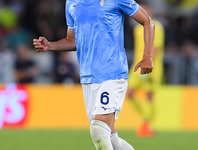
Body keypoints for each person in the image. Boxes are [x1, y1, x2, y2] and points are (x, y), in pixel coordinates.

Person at [33, 0, 155, 149]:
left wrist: (147, 56)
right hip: (88, 77)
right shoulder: (71, 2)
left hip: (113, 73)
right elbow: (73, 40)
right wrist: (51, 45)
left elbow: (147, 21)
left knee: (98, 129)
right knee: (110, 137)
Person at [127, 1, 165, 137]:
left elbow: (156, 48)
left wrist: (149, 65)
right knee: (129, 94)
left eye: (148, 9)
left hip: (152, 68)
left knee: (150, 96)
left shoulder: (157, 27)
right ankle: (145, 119)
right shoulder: (137, 28)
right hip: (136, 68)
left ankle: (148, 125)